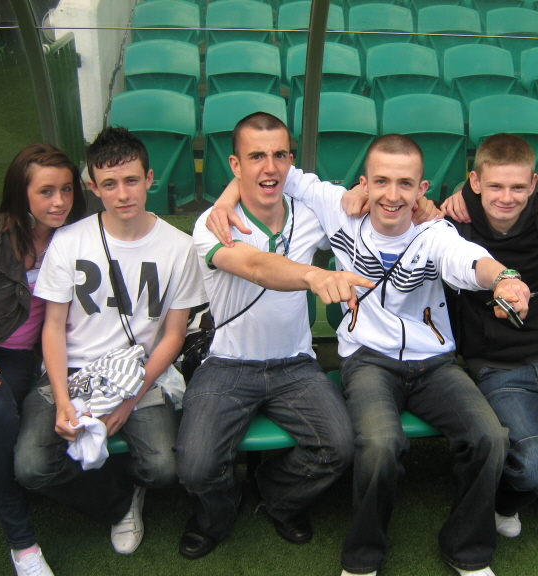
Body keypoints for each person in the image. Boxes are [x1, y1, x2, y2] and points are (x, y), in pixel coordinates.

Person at [211, 133, 530, 576]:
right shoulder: (338, 207)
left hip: (434, 363)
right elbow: (279, 173)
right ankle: (362, 559)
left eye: (405, 184)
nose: (392, 195)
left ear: (422, 189)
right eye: (381, 181)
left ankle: (468, 551)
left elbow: (468, 260)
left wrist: (505, 278)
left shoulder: (435, 231)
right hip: (367, 360)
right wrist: (226, 199)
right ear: (364, 183)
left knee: (490, 438)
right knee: (381, 445)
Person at [176, 112, 373, 561]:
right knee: (195, 467)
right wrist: (314, 275)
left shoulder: (310, 215)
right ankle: (218, 514)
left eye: (280, 155)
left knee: (338, 447)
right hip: (227, 363)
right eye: (256, 157)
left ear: (290, 161)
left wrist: (392, 200)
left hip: (294, 364)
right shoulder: (214, 223)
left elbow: (366, 212)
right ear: (235, 164)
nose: (270, 168)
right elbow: (254, 266)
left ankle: (276, 494)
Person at [13, 126, 205, 555]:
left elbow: (175, 334)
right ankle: (118, 500)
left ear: (150, 178)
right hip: (73, 371)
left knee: (162, 469)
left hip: (139, 371)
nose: (123, 194)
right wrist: (63, 399)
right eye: (110, 184)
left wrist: (129, 399)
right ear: (93, 186)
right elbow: (52, 328)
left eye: (132, 180)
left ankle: (136, 486)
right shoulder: (69, 241)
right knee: (30, 467)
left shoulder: (179, 247)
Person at [0, 143, 87, 576]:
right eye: (46, 191)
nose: (59, 201)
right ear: (19, 193)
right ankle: (22, 542)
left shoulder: (74, 238)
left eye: (66, 189)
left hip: (16, 357)